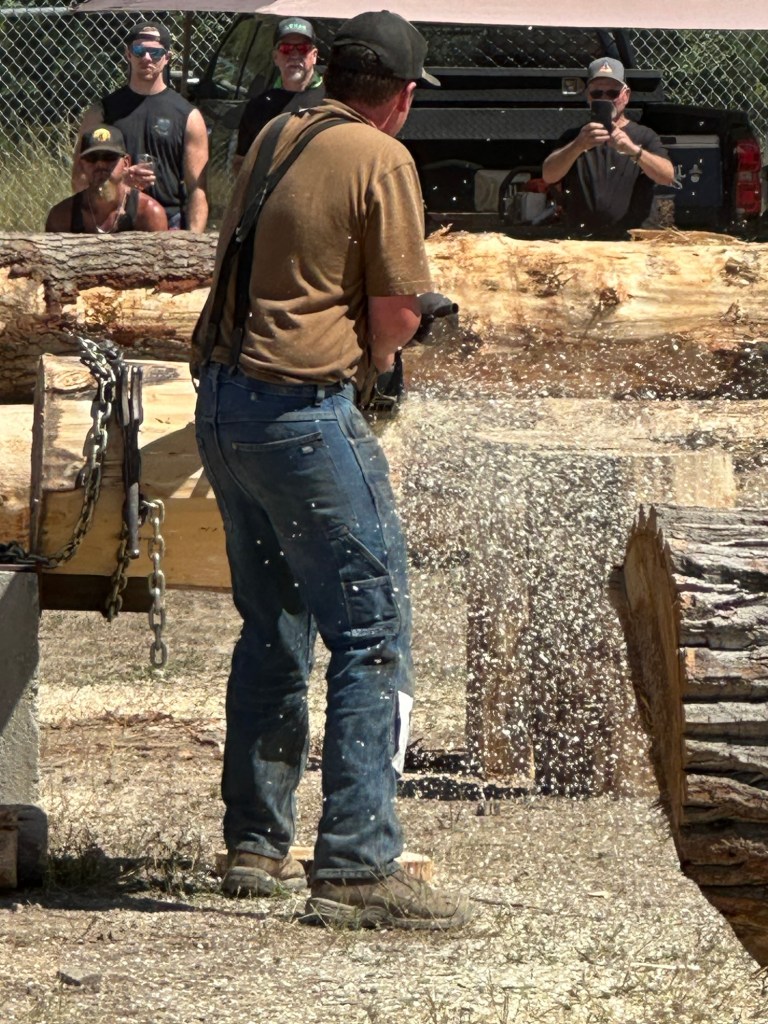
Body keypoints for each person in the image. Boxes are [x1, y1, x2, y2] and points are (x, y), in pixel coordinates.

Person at [193, 11, 471, 931]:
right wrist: (391, 358)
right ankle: (357, 864)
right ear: (397, 95)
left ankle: (255, 846)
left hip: (224, 403)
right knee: (374, 627)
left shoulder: (280, 127)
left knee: (273, 624)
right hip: (299, 411)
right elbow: (392, 313)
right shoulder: (380, 158)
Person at [73, 22, 208, 231]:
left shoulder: (189, 116)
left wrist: (193, 241)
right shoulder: (102, 113)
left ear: (167, 58)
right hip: (113, 219)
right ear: (128, 54)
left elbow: (198, 190)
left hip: (169, 221)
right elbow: (79, 179)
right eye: (139, 50)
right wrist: (119, 181)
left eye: (155, 52)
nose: (146, 58)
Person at [542, 57, 675, 238]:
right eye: (597, 94)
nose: (605, 99)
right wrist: (577, 146)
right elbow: (549, 175)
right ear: (588, 96)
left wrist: (633, 150)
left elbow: (667, 176)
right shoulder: (574, 137)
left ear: (626, 96)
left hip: (634, 240)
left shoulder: (644, 136)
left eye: (613, 93)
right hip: (583, 239)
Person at [232, 17, 325, 177]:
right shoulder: (258, 106)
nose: (294, 55)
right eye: (286, 48)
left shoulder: (333, 99)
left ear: (314, 55)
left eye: (302, 48)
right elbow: (241, 164)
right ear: (275, 57)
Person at [46, 124, 168, 233]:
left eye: (109, 157)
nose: (100, 165)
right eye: (92, 158)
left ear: (126, 163)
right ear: (81, 165)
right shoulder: (62, 216)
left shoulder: (148, 213)